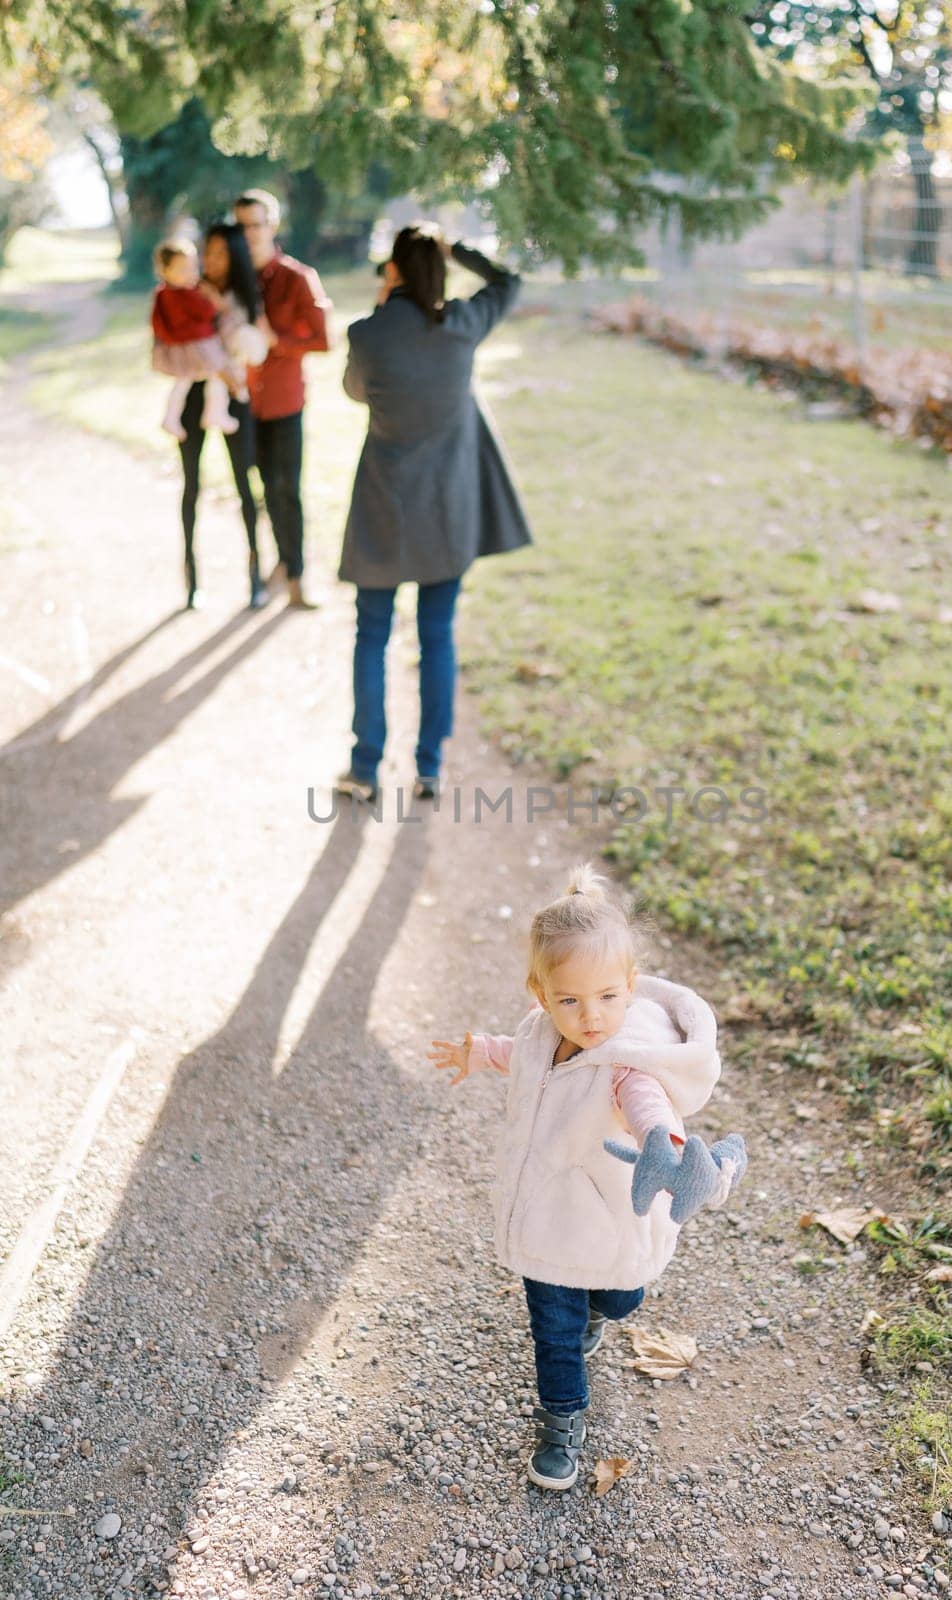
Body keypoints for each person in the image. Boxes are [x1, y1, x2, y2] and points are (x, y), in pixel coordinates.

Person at [426, 864, 747, 1491]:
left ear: (629, 987)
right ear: (541, 995)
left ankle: (603, 1309)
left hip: (607, 1219)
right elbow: (517, 1055)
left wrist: (664, 1141)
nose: (590, 1017)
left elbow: (646, 1103)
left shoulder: (629, 1062)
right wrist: (476, 1051)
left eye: (606, 997)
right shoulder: (541, 1032)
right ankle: (561, 1421)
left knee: (622, 1296)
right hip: (549, 1224)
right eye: (569, 1000)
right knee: (554, 1330)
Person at [337, 224, 532, 805]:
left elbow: (354, 391)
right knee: (437, 635)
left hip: (382, 509)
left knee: (371, 634)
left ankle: (364, 767)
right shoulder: (463, 326)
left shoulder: (367, 334)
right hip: (447, 511)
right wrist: (458, 251)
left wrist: (382, 313)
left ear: (392, 271)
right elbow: (510, 281)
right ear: (440, 269)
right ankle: (429, 767)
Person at [234, 188, 332, 610]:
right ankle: (262, 575)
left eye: (256, 224)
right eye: (241, 226)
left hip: (284, 402)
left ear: (272, 226)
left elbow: (324, 339)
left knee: (286, 489)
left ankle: (295, 575)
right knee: (255, 491)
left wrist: (278, 341)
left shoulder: (297, 277)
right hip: (241, 404)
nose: (249, 234)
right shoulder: (230, 280)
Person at [171, 223, 270, 612]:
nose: (211, 260)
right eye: (207, 252)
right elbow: (178, 340)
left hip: (234, 395)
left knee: (245, 482)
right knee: (191, 484)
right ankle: (192, 580)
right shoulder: (186, 290)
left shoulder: (246, 297)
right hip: (195, 392)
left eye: (220, 253)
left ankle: (255, 577)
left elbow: (251, 346)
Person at [150, 238, 239, 441]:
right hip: (199, 345)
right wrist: (209, 298)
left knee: (183, 382)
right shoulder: (183, 294)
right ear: (165, 271)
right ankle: (215, 412)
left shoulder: (162, 294)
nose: (190, 274)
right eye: (182, 269)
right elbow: (206, 312)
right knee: (217, 374)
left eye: (192, 268)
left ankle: (172, 417)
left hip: (182, 345)